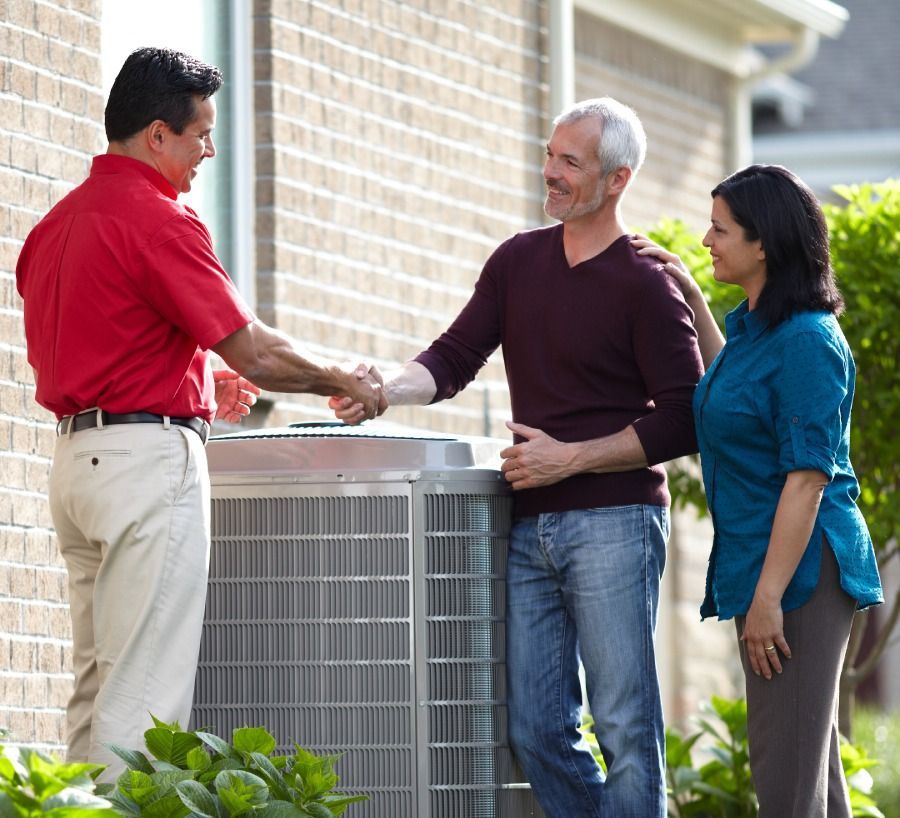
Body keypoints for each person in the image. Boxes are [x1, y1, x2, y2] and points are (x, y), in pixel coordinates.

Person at [15, 47, 383, 779]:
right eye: (200, 134)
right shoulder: (160, 220)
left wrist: (190, 382)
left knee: (96, 691)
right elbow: (256, 352)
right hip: (146, 475)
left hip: (76, 471)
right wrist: (343, 377)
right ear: (158, 135)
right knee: (144, 696)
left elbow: (101, 344)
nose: (208, 150)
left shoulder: (54, 226)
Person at [332, 98, 703, 817]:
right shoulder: (517, 261)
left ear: (617, 178)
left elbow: (686, 418)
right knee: (534, 728)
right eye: (549, 154)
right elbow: (451, 357)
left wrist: (572, 459)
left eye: (571, 161)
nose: (551, 173)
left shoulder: (646, 281)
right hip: (529, 526)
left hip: (615, 525)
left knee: (625, 725)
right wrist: (385, 390)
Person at [633, 164, 883, 817]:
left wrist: (769, 598)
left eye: (720, 229)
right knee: (810, 775)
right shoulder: (757, 329)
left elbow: (806, 479)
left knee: (786, 783)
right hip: (771, 565)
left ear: (764, 241)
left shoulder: (807, 341)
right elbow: (733, 392)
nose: (706, 239)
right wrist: (689, 294)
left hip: (800, 570)